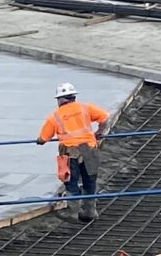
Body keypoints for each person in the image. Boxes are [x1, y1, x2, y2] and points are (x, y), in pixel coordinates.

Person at [38, 83, 110, 224]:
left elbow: (43, 138)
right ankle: (90, 212)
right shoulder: (86, 108)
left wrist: (39, 140)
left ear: (60, 100)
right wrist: (99, 133)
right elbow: (105, 118)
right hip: (89, 150)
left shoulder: (55, 116)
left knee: (71, 183)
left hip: (71, 153)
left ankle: (74, 213)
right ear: (73, 97)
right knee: (90, 181)